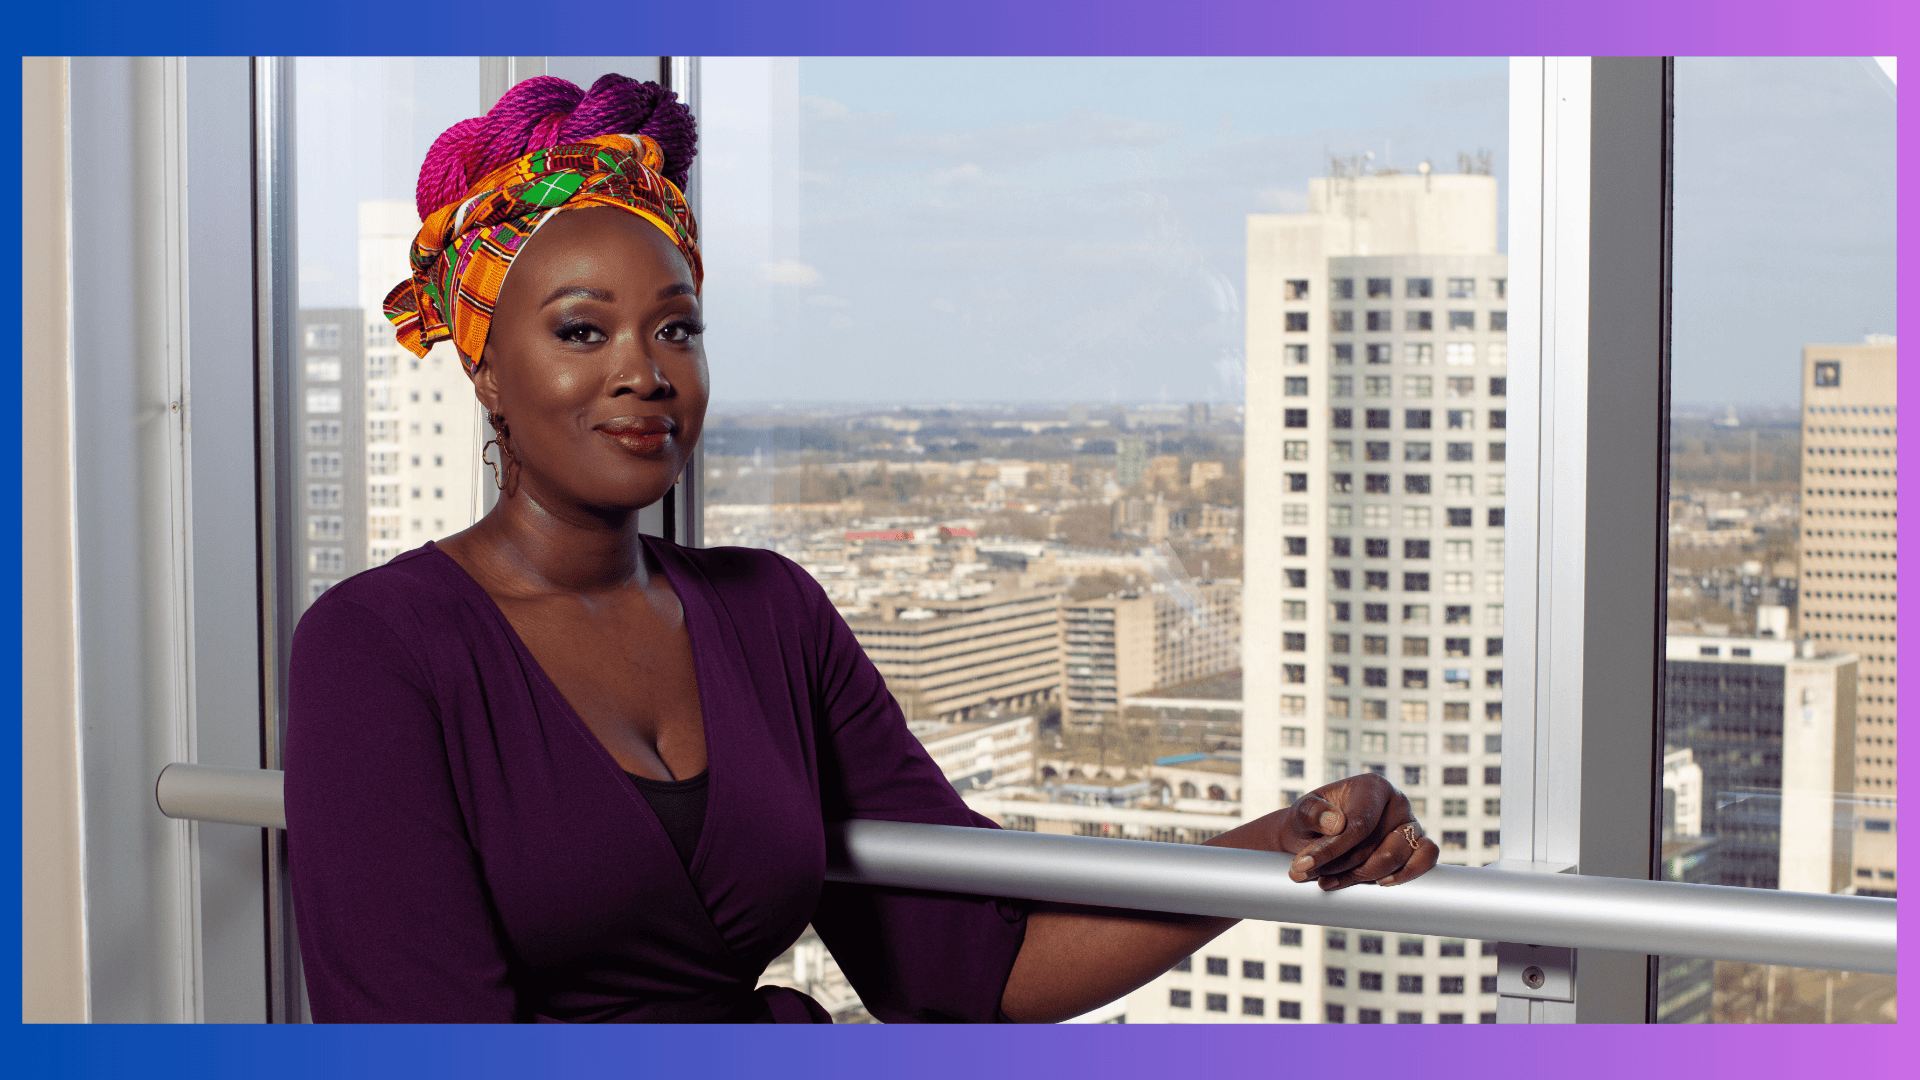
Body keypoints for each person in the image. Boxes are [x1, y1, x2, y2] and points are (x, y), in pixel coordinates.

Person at [283, 74, 1438, 1025]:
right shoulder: (378, 650)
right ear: (485, 366)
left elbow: (969, 966)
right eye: (581, 330)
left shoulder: (768, 613)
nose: (645, 371)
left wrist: (1282, 847)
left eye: (677, 327)